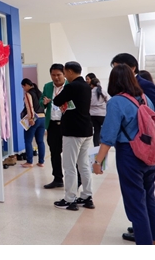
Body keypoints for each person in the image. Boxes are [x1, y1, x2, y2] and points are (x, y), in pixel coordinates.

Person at [93, 63, 155, 245]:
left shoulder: (116, 102)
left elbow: (108, 136)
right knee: (149, 196)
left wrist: (98, 161)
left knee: (135, 202)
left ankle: (144, 243)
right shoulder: (146, 98)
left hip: (130, 155)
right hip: (150, 154)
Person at [111, 53, 155, 242]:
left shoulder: (143, 86)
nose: (116, 71)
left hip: (138, 146)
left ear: (132, 67)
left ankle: (145, 236)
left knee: (137, 198)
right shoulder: (130, 94)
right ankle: (154, 235)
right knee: (146, 195)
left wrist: (136, 118)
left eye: (118, 67)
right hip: (143, 148)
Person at [52, 61, 94, 211]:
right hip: (86, 130)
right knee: (84, 165)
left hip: (73, 131)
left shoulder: (72, 86)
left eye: (64, 72)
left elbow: (57, 100)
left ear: (69, 71)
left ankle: (70, 199)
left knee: (69, 166)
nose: (64, 76)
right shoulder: (86, 86)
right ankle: (87, 196)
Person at [41, 64, 68, 189]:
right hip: (52, 124)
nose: (56, 77)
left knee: (70, 153)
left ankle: (73, 179)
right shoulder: (47, 86)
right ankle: (57, 178)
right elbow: (41, 102)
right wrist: (44, 102)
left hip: (67, 124)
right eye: (53, 75)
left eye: (58, 75)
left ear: (64, 74)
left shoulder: (69, 86)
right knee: (54, 153)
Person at [20, 78, 45, 168]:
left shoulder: (28, 94)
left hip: (34, 119)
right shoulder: (40, 93)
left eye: (23, 87)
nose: (24, 89)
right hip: (43, 118)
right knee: (40, 141)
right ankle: (41, 162)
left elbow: (30, 107)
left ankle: (29, 161)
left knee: (28, 141)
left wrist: (31, 118)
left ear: (26, 85)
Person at [89, 77, 110, 147]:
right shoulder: (103, 91)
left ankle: (96, 146)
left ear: (92, 85)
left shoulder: (89, 92)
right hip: (102, 114)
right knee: (103, 130)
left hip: (92, 115)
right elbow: (108, 101)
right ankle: (103, 145)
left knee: (96, 131)